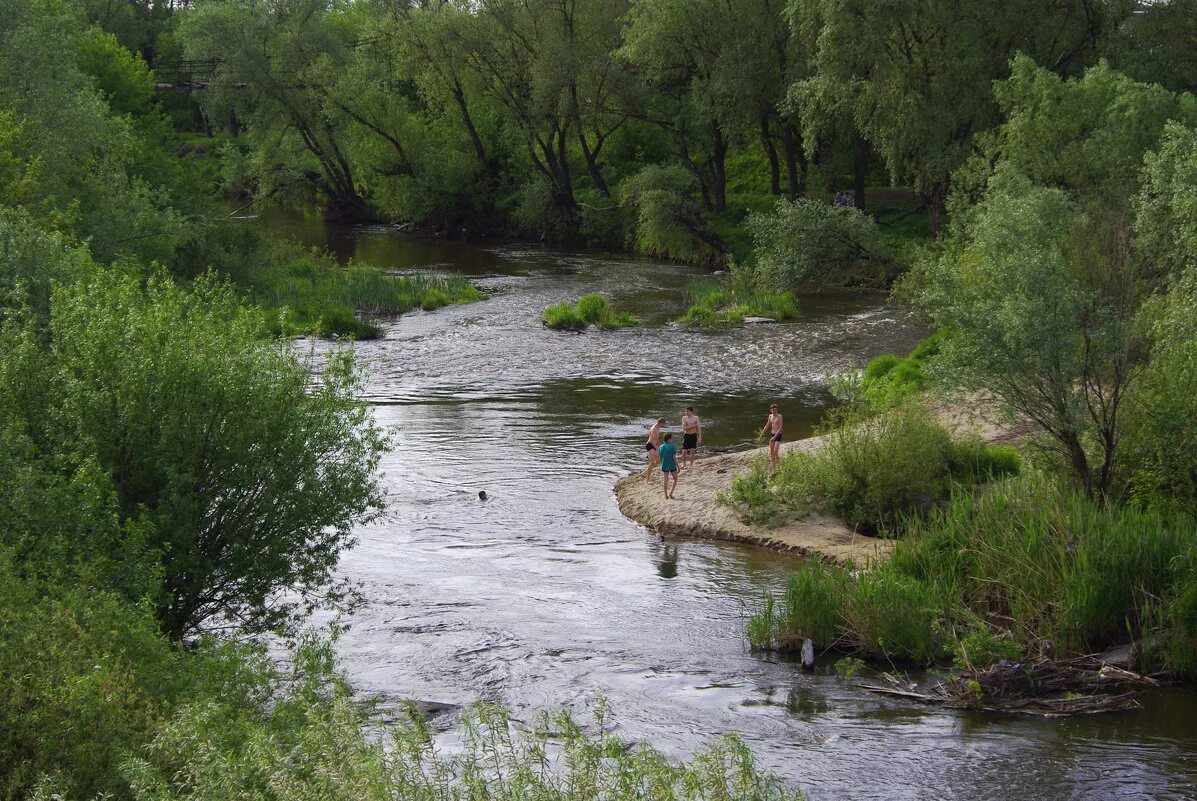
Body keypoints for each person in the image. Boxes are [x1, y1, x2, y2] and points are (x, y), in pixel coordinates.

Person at [761, 403, 783, 469]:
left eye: (775, 410)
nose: (774, 411)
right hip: (772, 434)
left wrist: (775, 437)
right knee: (771, 452)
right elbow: (767, 425)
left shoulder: (779, 416)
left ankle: (779, 465)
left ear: (777, 410)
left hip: (778, 435)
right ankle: (774, 467)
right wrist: (762, 433)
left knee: (775, 452)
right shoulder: (770, 416)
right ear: (771, 410)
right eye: (773, 410)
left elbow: (781, 428)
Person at [658, 433, 679, 499]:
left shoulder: (661, 447)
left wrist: (661, 464)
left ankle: (665, 495)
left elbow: (660, 457)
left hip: (664, 465)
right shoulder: (672, 446)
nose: (673, 439)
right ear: (669, 439)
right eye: (672, 438)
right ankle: (671, 493)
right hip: (672, 465)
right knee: (675, 479)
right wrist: (678, 466)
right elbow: (674, 458)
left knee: (665, 480)